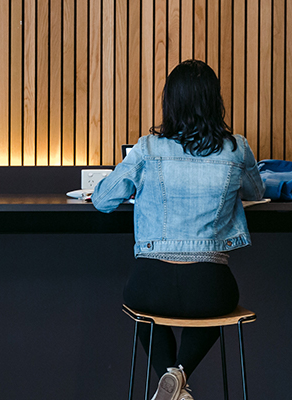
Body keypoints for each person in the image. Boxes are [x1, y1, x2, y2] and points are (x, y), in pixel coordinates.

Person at [91, 59, 265, 400]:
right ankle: (179, 376)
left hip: (149, 285)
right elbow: (256, 192)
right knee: (218, 309)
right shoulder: (236, 148)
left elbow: (103, 200)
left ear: (169, 102)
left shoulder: (148, 149)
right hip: (210, 290)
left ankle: (169, 382)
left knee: (144, 312)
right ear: (216, 102)